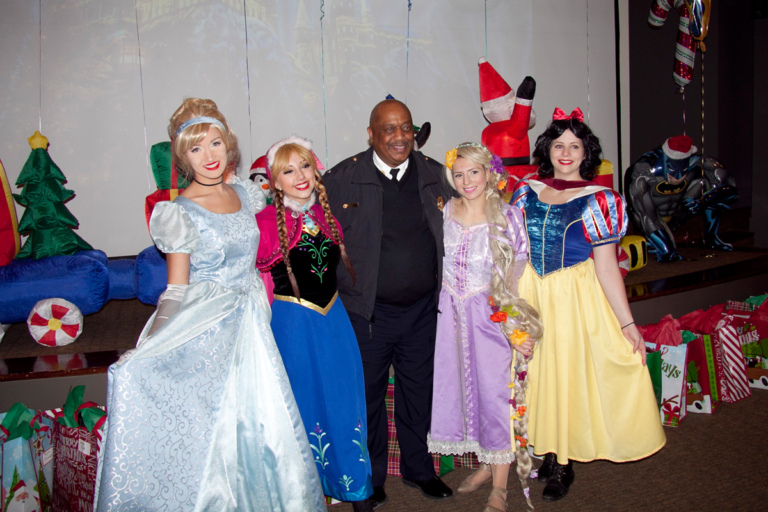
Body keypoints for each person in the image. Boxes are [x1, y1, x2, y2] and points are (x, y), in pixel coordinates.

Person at [97, 99, 326, 511]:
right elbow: (175, 290)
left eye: (216, 143)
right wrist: (150, 343)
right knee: (212, 430)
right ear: (183, 157)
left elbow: (282, 219)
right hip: (208, 324)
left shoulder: (245, 193)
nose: (209, 156)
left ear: (229, 146)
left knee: (259, 423)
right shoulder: (178, 213)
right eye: (197, 148)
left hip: (253, 321)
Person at [511, 107, 666, 502]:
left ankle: (564, 462)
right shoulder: (524, 191)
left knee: (567, 374)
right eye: (559, 144)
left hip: (572, 298)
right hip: (531, 292)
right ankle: (545, 448)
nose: (566, 153)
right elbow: (513, 252)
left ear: (586, 152)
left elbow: (607, 266)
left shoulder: (602, 200)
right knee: (535, 372)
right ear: (547, 149)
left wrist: (627, 323)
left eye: (574, 146)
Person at [323, 99, 454, 509]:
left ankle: (419, 469)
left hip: (422, 312)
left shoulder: (435, 175)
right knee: (368, 399)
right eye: (389, 129)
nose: (400, 137)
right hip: (367, 314)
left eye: (407, 128)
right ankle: (371, 478)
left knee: (418, 395)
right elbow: (323, 246)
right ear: (371, 134)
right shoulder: (342, 180)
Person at [255, 136, 373, 512]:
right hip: (293, 327)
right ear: (274, 180)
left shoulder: (326, 213)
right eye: (288, 170)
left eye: (304, 166)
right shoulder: (262, 225)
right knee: (303, 406)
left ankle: (356, 490)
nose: (299, 176)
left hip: (334, 322)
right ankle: (308, 495)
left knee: (344, 402)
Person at [428, 142, 543, 512]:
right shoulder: (444, 212)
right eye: (458, 175)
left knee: (494, 395)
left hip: (489, 316)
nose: (466, 181)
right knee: (461, 392)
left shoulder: (508, 216)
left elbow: (513, 278)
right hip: (448, 317)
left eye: (473, 172)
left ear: (489, 172)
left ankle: (500, 485)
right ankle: (486, 463)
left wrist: (516, 327)